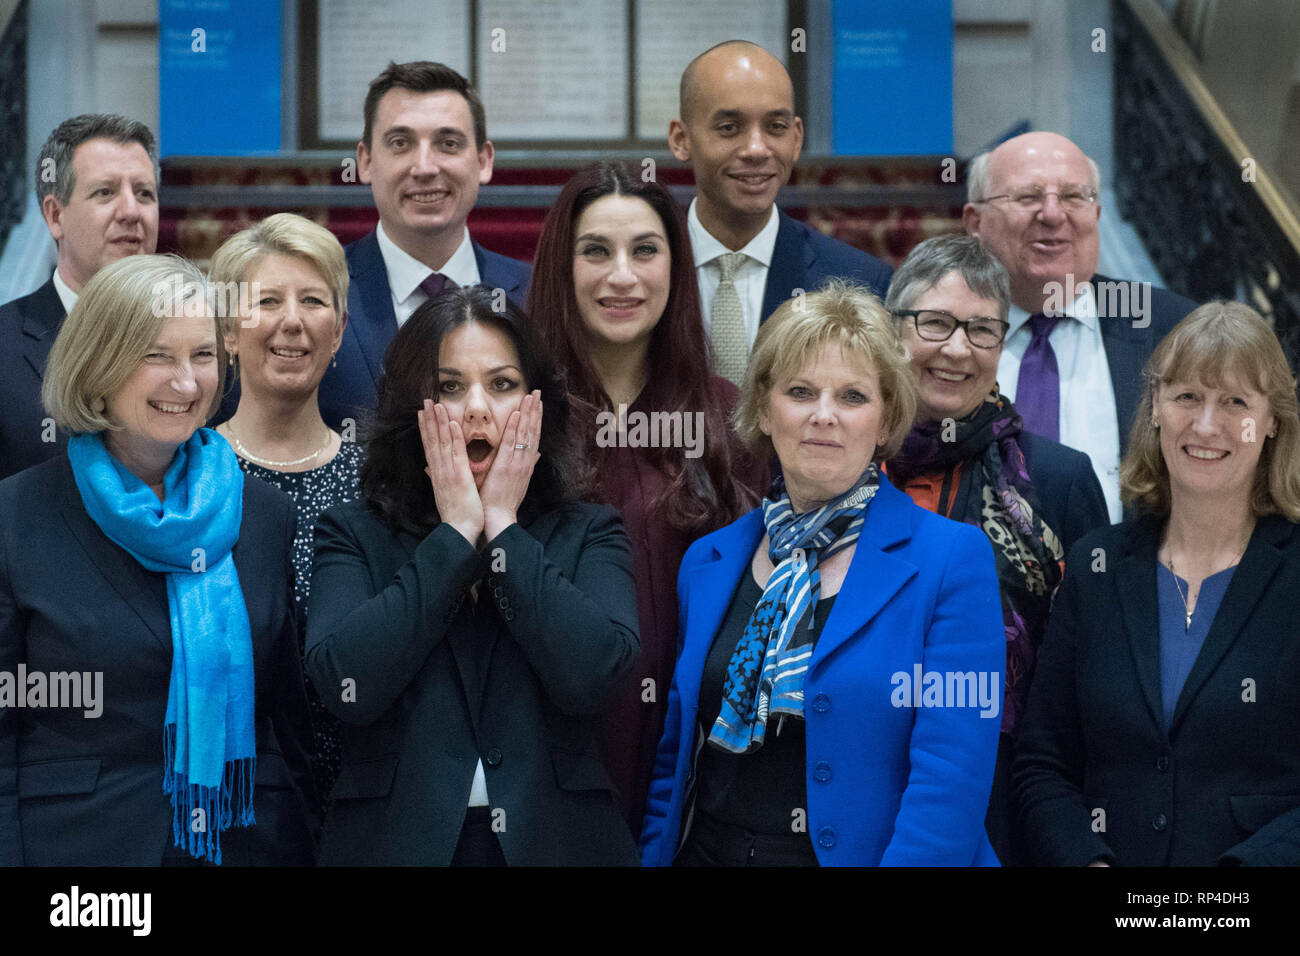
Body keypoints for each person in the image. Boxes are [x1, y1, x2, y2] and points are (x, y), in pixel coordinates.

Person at [641, 282, 1004, 866]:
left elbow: (950, 781)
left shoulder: (952, 561)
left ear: (886, 418)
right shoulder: (708, 561)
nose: (824, 416)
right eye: (801, 391)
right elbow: (674, 760)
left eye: (853, 396)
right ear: (764, 407)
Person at [306, 286, 640, 865]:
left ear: (537, 406)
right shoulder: (352, 531)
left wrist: (504, 527)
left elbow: (595, 678)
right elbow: (344, 686)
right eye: (449, 388)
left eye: (503, 384)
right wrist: (457, 534)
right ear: (413, 408)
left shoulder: (590, 531)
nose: (477, 409)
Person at [0, 254, 316, 866]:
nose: (187, 382)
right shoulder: (18, 516)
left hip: (245, 844)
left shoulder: (264, 513)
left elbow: (288, 720)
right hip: (81, 857)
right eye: (156, 356)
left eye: (202, 355)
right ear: (98, 365)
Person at [526, 160, 767, 833]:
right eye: (595, 251)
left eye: (646, 251)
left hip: (699, 765)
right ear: (560, 269)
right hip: (553, 760)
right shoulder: (522, 419)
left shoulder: (729, 420)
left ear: (676, 267)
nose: (622, 277)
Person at [1014, 301, 1300, 866]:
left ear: (1272, 422)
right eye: (1187, 397)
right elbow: (1042, 763)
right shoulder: (1096, 566)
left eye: (1235, 402)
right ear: (1155, 410)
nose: (1206, 424)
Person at [883, 234, 1108, 865]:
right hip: (857, 776)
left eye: (983, 330)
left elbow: (1089, 669)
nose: (958, 349)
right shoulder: (846, 472)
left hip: (1008, 799)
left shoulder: (1058, 480)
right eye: (936, 323)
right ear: (892, 330)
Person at [209, 213, 363, 805]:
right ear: (227, 328)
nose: (292, 322)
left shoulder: (380, 483)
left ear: (341, 328)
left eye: (314, 302)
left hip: (364, 803)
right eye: (267, 300)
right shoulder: (187, 477)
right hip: (234, 807)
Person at [963, 131, 1196, 521]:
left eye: (1074, 197)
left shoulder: (1176, 331)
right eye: (1027, 197)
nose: (1053, 215)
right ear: (975, 221)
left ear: (1097, 215)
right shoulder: (932, 335)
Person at [308, 60, 531, 432]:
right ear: (364, 161)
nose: (425, 167)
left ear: (483, 160)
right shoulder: (316, 294)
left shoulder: (537, 294)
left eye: (448, 143)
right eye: (401, 143)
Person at [668, 40, 892, 385]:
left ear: (797, 138)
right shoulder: (639, 274)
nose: (757, 149)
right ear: (681, 139)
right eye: (729, 128)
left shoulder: (858, 284)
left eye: (776, 128)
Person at [0, 114, 159, 480]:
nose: (132, 211)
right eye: (105, 192)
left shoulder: (199, 348)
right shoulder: (5, 345)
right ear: (56, 216)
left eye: (144, 193)